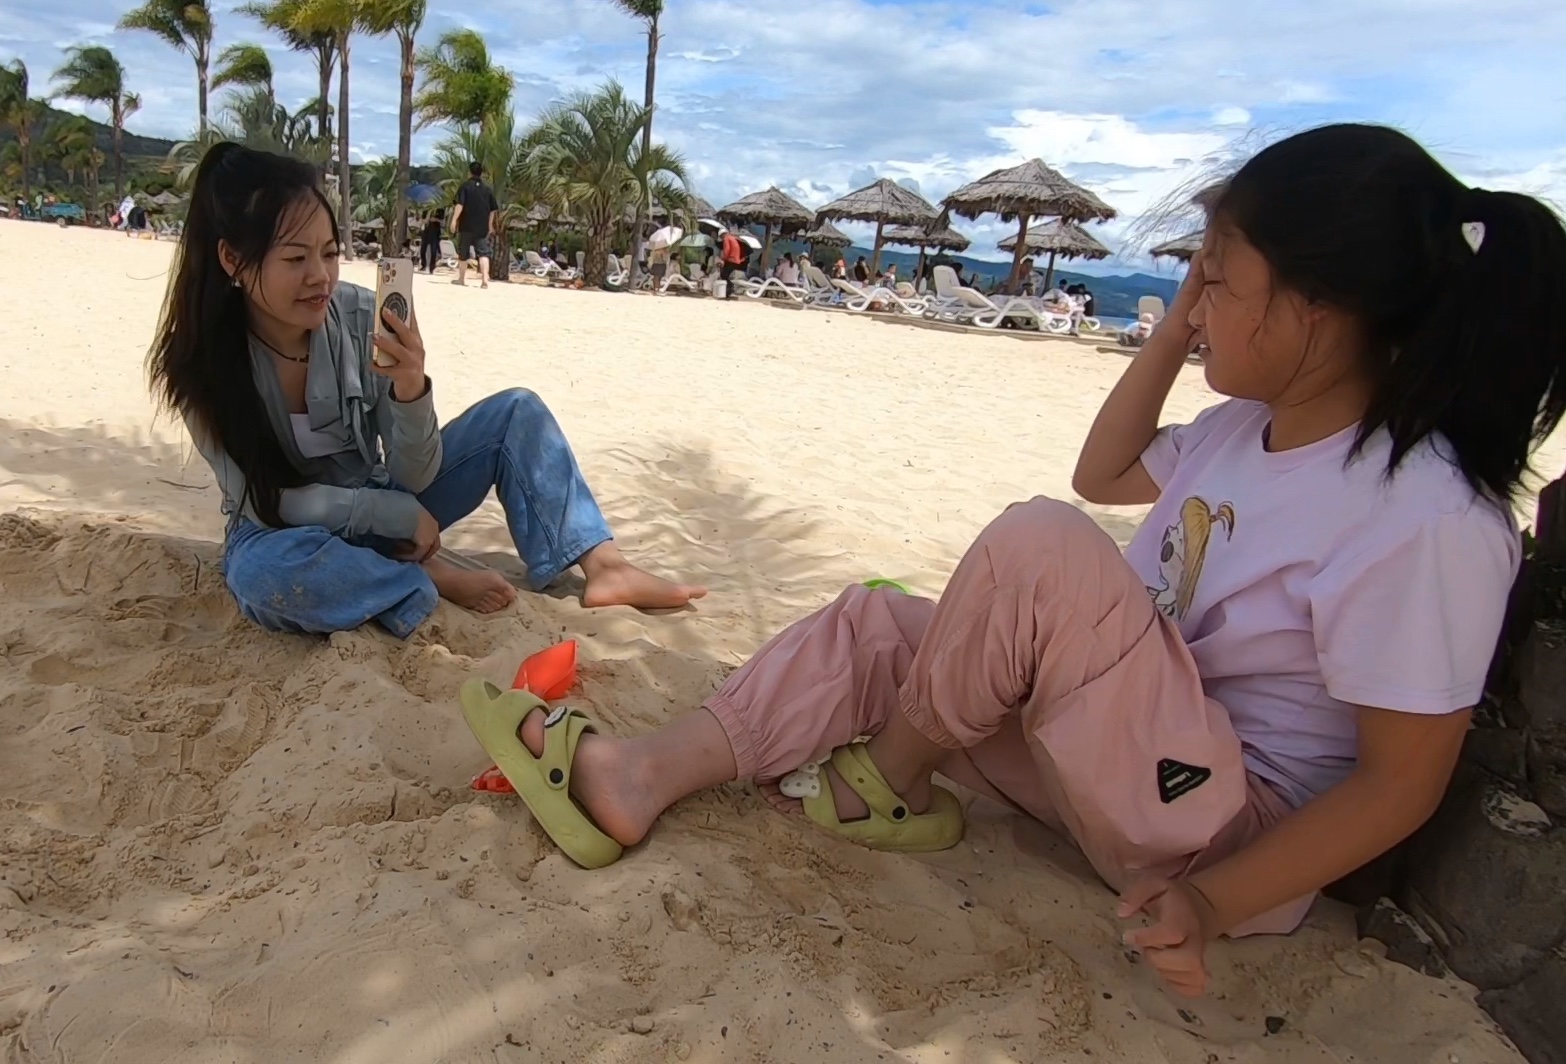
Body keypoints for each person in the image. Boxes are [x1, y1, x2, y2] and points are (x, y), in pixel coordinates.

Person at [456, 124, 1566, 997]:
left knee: (1036, 550)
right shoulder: (1242, 433)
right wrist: (1176, 334)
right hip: (1108, 756)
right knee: (884, 623)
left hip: (1216, 825)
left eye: (1217, 277)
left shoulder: (1420, 516)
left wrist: (1217, 903)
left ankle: (887, 781)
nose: (1194, 296)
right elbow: (1106, 466)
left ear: (1322, 308)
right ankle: (641, 777)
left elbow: (1397, 788)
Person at [147, 143, 705, 639]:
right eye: (296, 258)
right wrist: (389, 517)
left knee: (518, 412)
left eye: (330, 252)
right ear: (232, 260)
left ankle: (605, 566)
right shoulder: (198, 364)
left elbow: (415, 477)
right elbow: (269, 502)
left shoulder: (362, 315)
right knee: (262, 577)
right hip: (282, 528)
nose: (321, 276)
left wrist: (411, 391)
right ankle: (416, 580)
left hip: (389, 497)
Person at [451, 161, 499, 289]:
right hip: (482, 226)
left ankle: (461, 279)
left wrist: (454, 220)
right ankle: (484, 280)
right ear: (482, 173)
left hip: (466, 224)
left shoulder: (465, 186)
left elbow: (459, 205)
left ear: (469, 172)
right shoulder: (487, 189)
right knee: (483, 253)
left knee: (463, 252)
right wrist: (490, 225)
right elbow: (493, 210)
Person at [719, 229, 745, 301]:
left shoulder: (727, 238)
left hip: (731, 259)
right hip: (735, 260)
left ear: (722, 235)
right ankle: (729, 289)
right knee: (726, 275)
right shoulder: (732, 238)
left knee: (723, 275)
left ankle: (729, 289)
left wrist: (723, 258)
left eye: (721, 237)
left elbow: (727, 250)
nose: (721, 239)